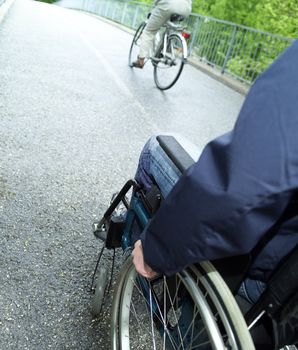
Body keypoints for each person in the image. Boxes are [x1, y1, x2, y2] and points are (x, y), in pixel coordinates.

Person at [131, 39, 298, 309]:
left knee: (157, 145)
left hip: (265, 274)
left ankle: (141, 252)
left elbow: (243, 185)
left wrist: (158, 248)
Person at [132, 0, 192, 69]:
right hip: (185, 9)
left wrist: (155, 4)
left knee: (149, 31)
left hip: (168, 4)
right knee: (168, 26)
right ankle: (159, 52)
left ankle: (140, 60)